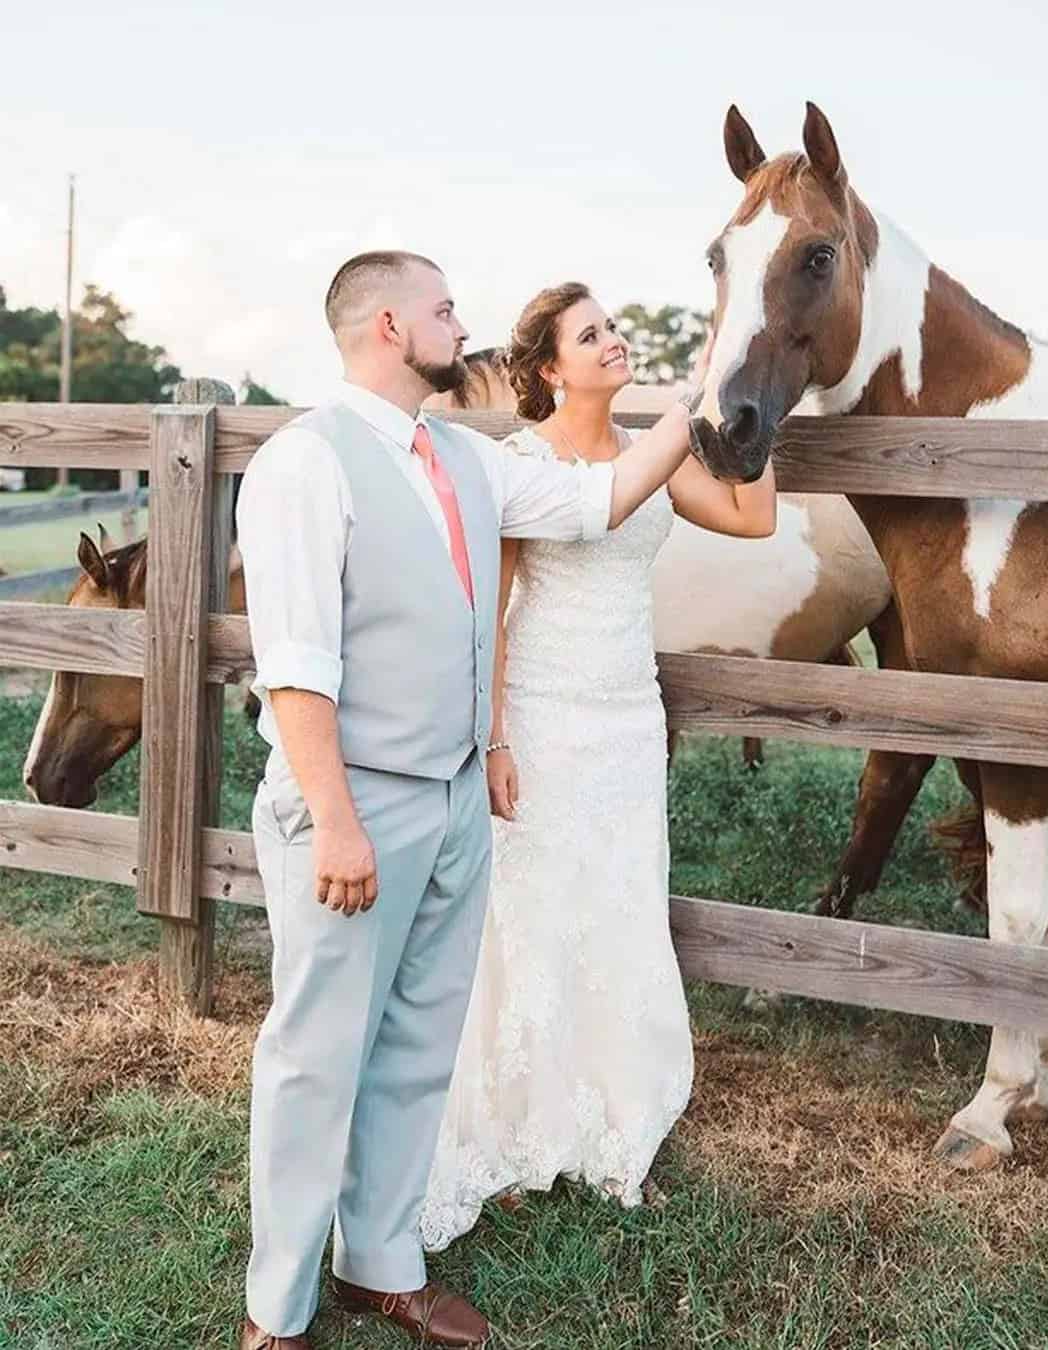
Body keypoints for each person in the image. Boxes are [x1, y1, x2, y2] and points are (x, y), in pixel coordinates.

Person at [235, 253, 703, 1350]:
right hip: (354, 807)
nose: (464, 325)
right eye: (446, 310)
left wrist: (706, 393)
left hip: (453, 803)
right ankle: (276, 1313)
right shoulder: (306, 463)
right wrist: (336, 821)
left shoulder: (465, 455)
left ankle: (381, 1264)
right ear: (392, 327)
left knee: (416, 1043)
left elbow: (594, 503)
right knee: (317, 1054)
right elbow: (294, 664)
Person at [420, 282, 776, 1251]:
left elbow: (753, 520)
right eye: (593, 334)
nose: (615, 341)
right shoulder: (520, 466)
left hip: (627, 718)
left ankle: (618, 1125)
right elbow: (490, 615)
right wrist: (493, 738)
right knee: (529, 917)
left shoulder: (648, 459)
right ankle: (516, 1127)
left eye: (615, 325)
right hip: (539, 714)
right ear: (548, 369)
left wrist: (761, 415)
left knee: (621, 907)